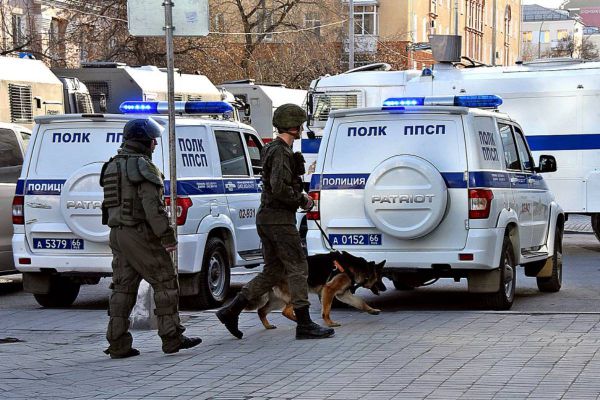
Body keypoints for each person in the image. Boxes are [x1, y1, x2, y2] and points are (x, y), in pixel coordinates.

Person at [217, 104, 335, 340]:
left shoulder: (272, 149)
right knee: (298, 267)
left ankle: (231, 310)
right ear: (294, 126)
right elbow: (279, 187)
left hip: (268, 218)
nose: (302, 128)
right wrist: (303, 200)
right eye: (300, 124)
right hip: (279, 220)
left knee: (273, 271)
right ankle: (304, 323)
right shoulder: (281, 152)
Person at [100, 117, 202, 358]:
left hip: (118, 233)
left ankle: (117, 343)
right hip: (139, 233)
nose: (155, 144)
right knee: (165, 281)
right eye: (152, 139)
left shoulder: (112, 165)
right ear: (143, 140)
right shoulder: (142, 166)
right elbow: (153, 207)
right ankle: (172, 337)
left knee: (123, 288)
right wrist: (167, 237)